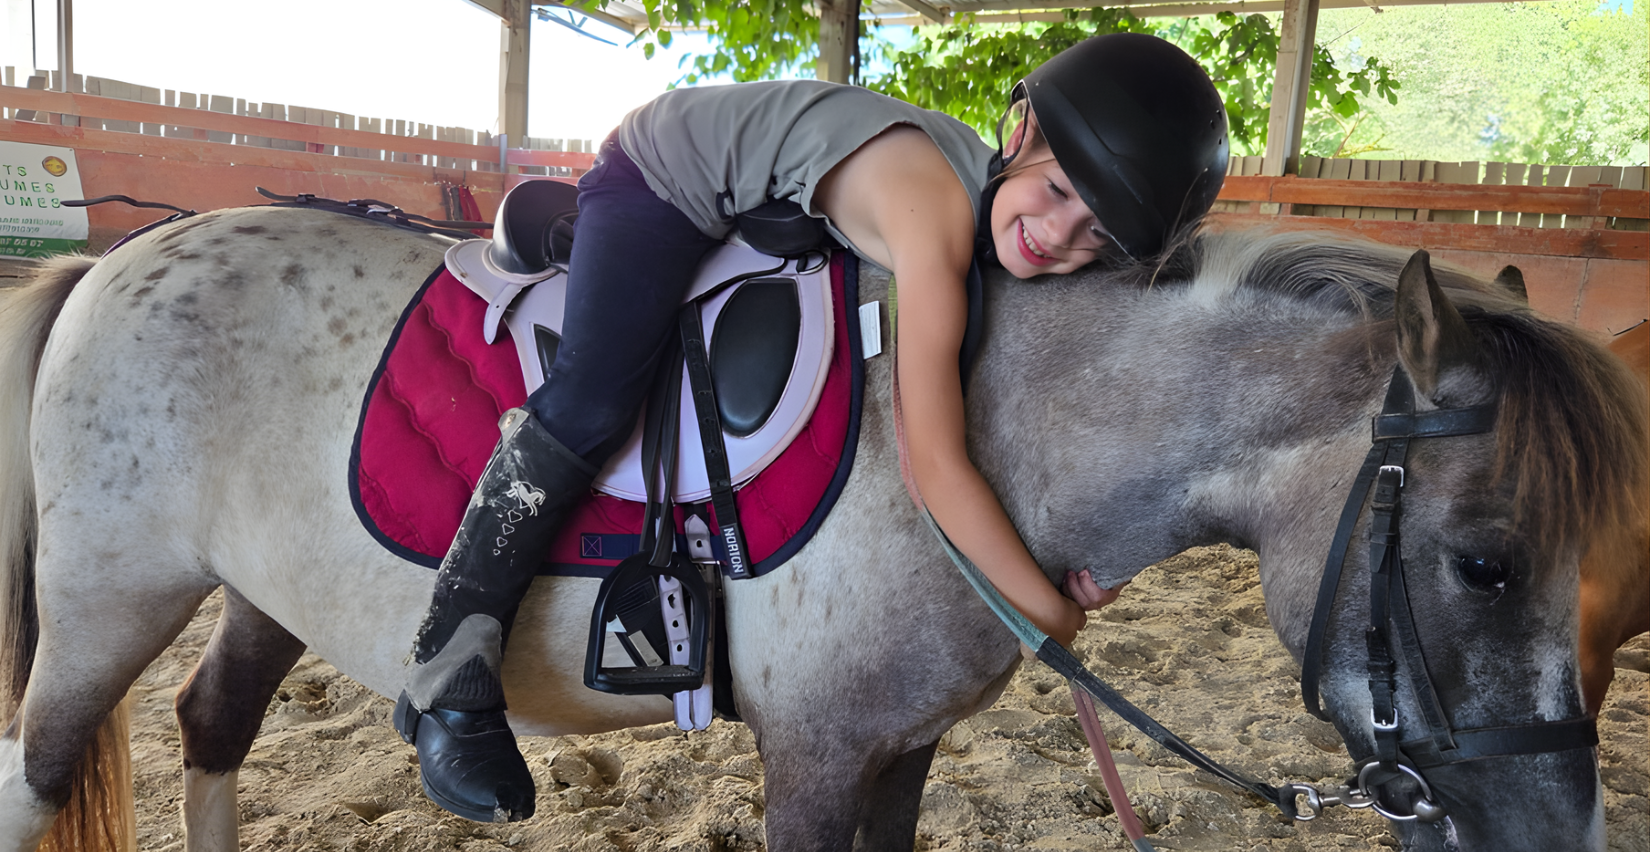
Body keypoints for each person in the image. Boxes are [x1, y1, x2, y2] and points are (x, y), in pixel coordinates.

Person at [392, 32, 1230, 823]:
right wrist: (1052, 614)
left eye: (1097, 235)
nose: (1057, 235)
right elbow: (935, 464)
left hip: (769, 172)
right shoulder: (931, 213)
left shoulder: (999, 210)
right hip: (664, 170)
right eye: (1055, 195)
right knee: (593, 399)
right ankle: (448, 675)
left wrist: (1048, 566)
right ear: (1022, 137)